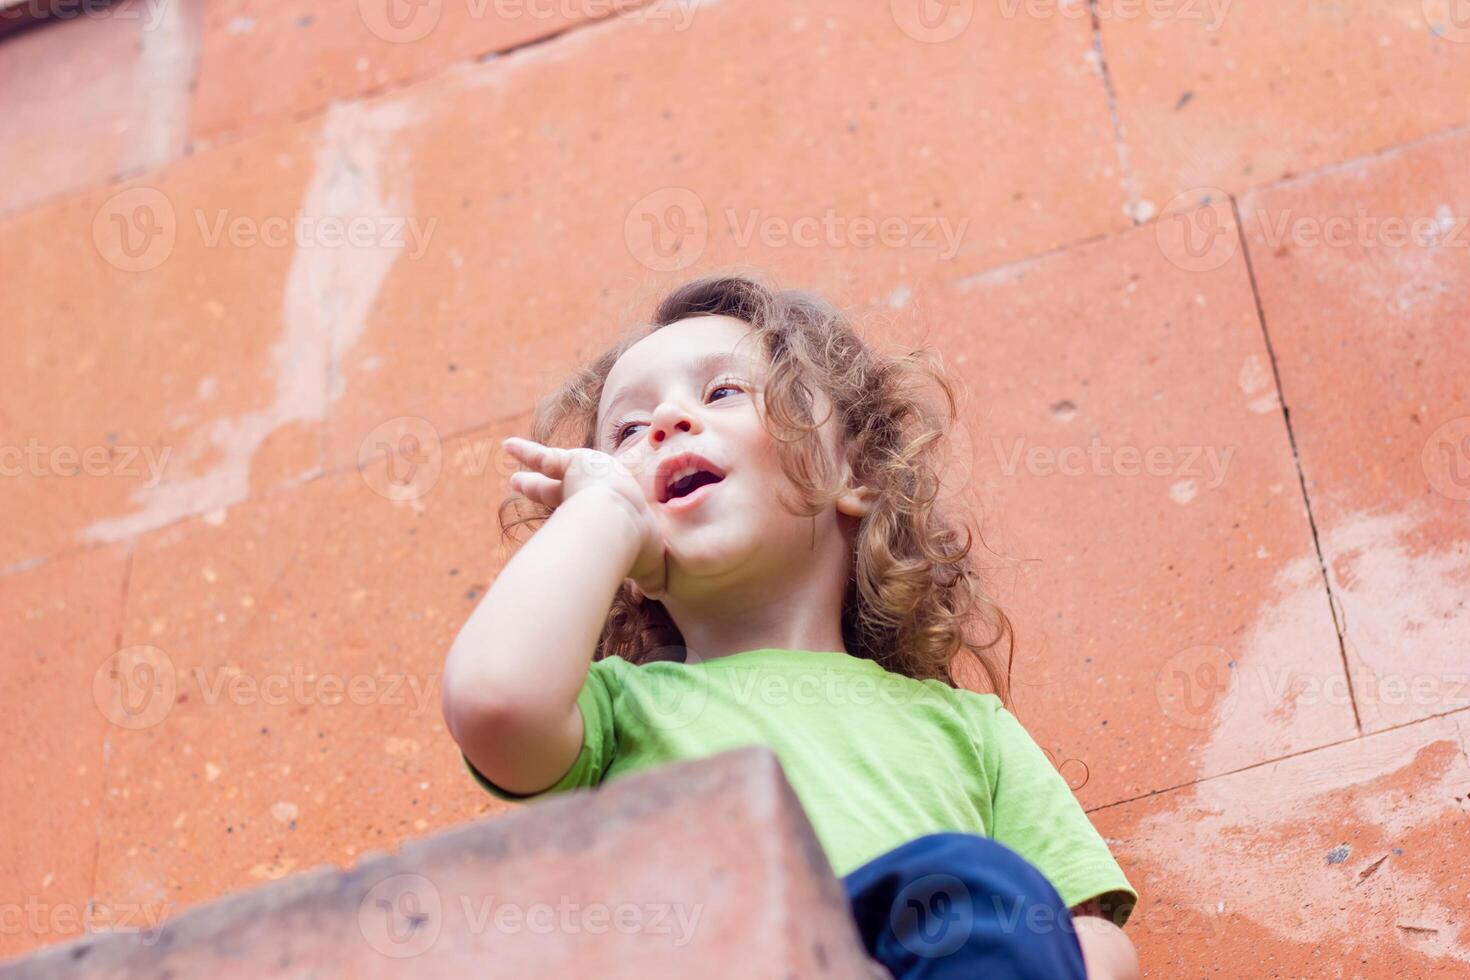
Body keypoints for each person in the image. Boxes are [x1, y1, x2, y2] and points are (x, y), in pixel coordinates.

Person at [441, 273, 1140, 978]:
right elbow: (495, 700)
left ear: (855, 472)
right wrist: (604, 514)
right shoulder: (618, 708)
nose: (665, 423)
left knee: (968, 886)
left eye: (721, 393)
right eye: (624, 434)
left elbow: (1091, 939)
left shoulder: (970, 729)